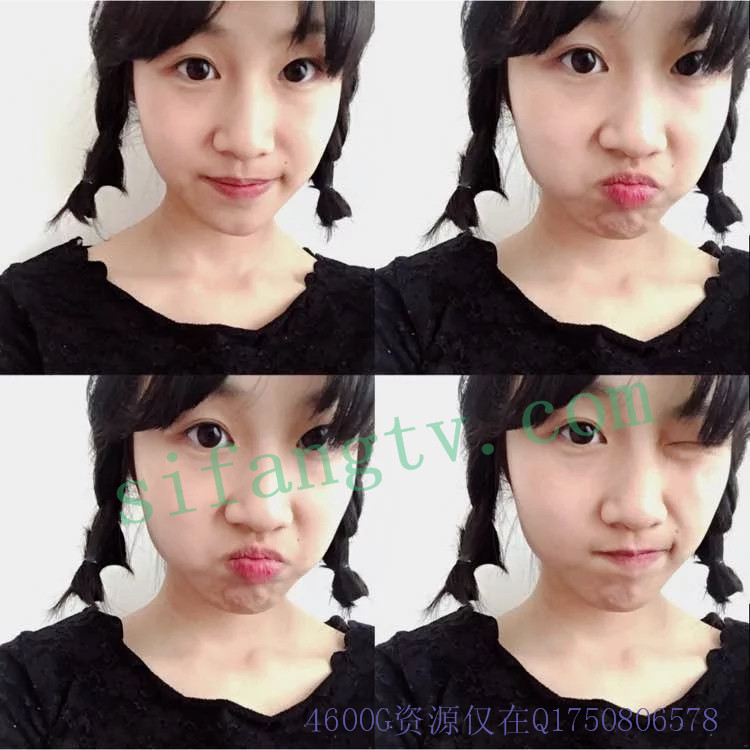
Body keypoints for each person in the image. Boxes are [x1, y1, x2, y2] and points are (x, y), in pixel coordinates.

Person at [0, 374, 375, 747]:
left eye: (319, 438)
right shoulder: (30, 693)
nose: (264, 512)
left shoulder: (394, 685)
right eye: (208, 435)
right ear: (128, 457)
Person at [0, 1, 375, 374]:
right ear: (130, 81)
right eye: (197, 69)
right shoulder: (24, 315)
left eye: (298, 70)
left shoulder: (384, 313)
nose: (246, 141)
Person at [376, 374, 749, 748]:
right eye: (580, 433)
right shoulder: (403, 694)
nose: (638, 510)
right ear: (502, 456)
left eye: (700, 436)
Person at [376, 1, 749, 373]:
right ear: (503, 82)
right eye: (582, 61)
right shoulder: (406, 315)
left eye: (692, 64)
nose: (638, 138)